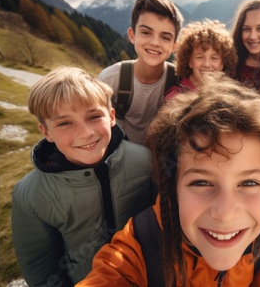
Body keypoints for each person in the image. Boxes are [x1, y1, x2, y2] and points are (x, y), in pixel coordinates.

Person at [77, 72, 260, 286]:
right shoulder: (142, 241)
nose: (225, 214)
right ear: (173, 186)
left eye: (249, 183)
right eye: (201, 182)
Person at [11, 67, 154, 286]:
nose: (85, 133)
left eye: (94, 116)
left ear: (112, 116)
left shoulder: (146, 162)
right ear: (46, 131)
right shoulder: (30, 195)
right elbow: (40, 265)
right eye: (65, 123)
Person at [98, 0, 184, 144]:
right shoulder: (110, 80)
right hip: (118, 158)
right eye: (146, 32)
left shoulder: (180, 79)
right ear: (132, 35)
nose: (155, 43)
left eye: (165, 37)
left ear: (174, 46)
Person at [164, 19, 237, 99]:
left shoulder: (229, 94)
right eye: (199, 57)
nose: (206, 64)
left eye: (214, 58)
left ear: (222, 63)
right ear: (189, 61)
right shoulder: (175, 98)